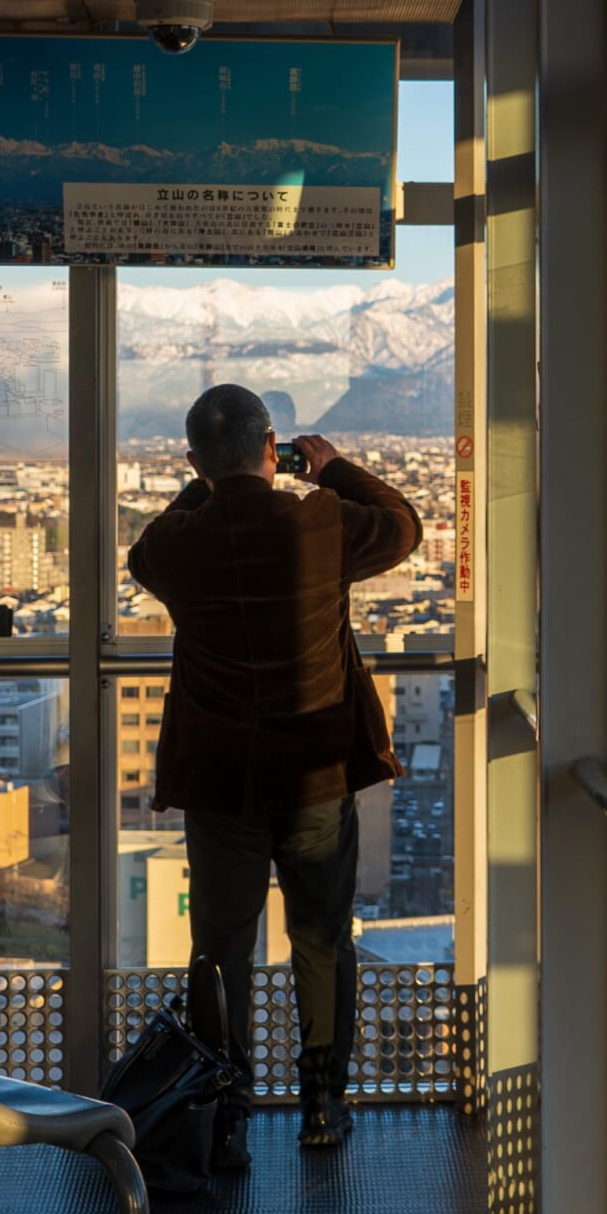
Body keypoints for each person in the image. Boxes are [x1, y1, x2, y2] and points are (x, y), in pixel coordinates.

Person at [128, 384, 422, 1153]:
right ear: (272, 450)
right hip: (315, 769)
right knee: (321, 937)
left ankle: (222, 1112)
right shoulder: (318, 521)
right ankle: (323, 1104)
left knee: (221, 946)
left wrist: (211, 481)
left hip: (220, 778)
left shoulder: (178, 547)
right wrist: (329, 470)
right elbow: (403, 526)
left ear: (195, 461)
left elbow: (143, 548)